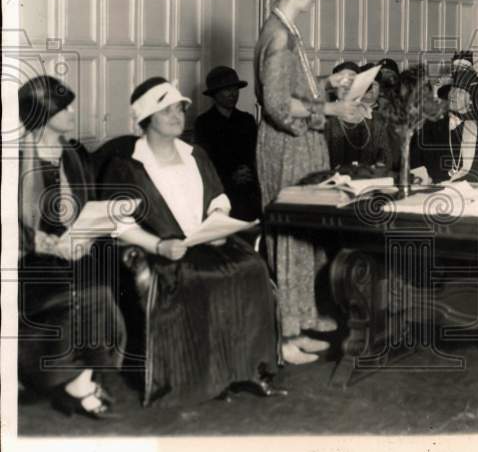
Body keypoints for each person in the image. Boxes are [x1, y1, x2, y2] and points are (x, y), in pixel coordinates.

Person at [105, 78, 283, 406]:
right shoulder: (127, 166)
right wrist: (158, 246)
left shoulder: (195, 154)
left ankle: (250, 370)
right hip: (166, 249)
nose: (177, 117)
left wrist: (217, 223)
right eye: (167, 111)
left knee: (252, 268)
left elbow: (218, 197)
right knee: (198, 278)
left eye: (180, 110)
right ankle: (205, 378)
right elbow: (119, 223)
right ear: (146, 118)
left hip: (207, 241)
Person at [254, 0, 365, 365]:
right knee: (288, 235)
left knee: (304, 234)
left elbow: (292, 88)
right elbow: (278, 106)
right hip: (287, 146)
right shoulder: (279, 36)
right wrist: (332, 108)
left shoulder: (285, 30)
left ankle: (300, 319)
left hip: (300, 144)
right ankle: (285, 337)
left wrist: (326, 82)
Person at [17, 76, 126, 419]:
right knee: (88, 293)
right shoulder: (15, 159)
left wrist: (85, 237)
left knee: (100, 281)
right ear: (43, 113)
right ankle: (78, 384)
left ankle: (81, 380)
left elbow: (87, 207)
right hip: (28, 259)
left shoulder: (74, 154)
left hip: (72, 251)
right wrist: (46, 245)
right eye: (64, 108)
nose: (72, 112)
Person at [194, 66, 261, 221]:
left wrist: (248, 173)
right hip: (220, 187)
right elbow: (204, 162)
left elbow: (255, 155)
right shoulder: (204, 123)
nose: (233, 94)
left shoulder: (247, 120)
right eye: (227, 89)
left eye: (235, 89)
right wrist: (231, 176)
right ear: (214, 94)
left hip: (249, 186)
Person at [411, 68, 478, 182]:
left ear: (471, 100)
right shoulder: (431, 125)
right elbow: (416, 161)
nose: (453, 95)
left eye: (460, 92)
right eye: (452, 89)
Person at [325, 61, 390, 171]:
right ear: (334, 88)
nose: (346, 87)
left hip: (370, 180)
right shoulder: (325, 120)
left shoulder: (376, 119)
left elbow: (385, 158)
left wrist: (376, 170)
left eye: (352, 82)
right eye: (341, 82)